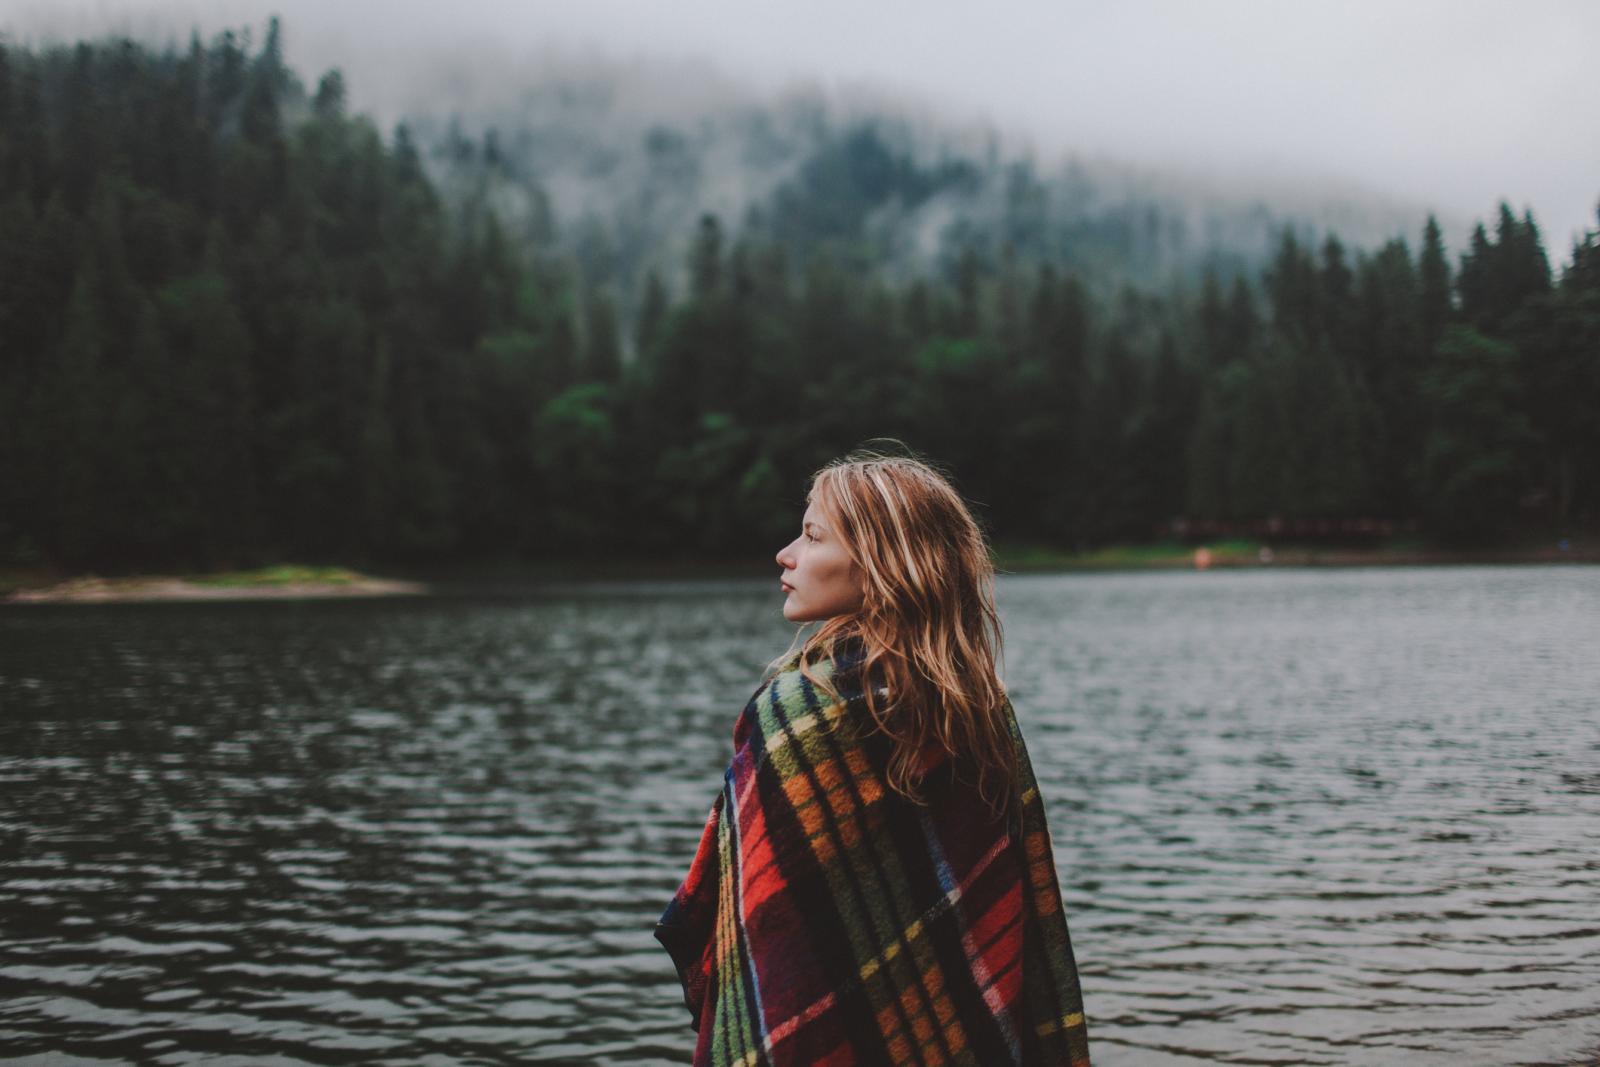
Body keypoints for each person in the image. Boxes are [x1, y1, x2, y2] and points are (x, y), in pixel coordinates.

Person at [655, 449, 1091, 1066]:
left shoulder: (796, 710)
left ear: (884, 564)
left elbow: (768, 932)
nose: (787, 554)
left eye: (811, 536)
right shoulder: (976, 708)